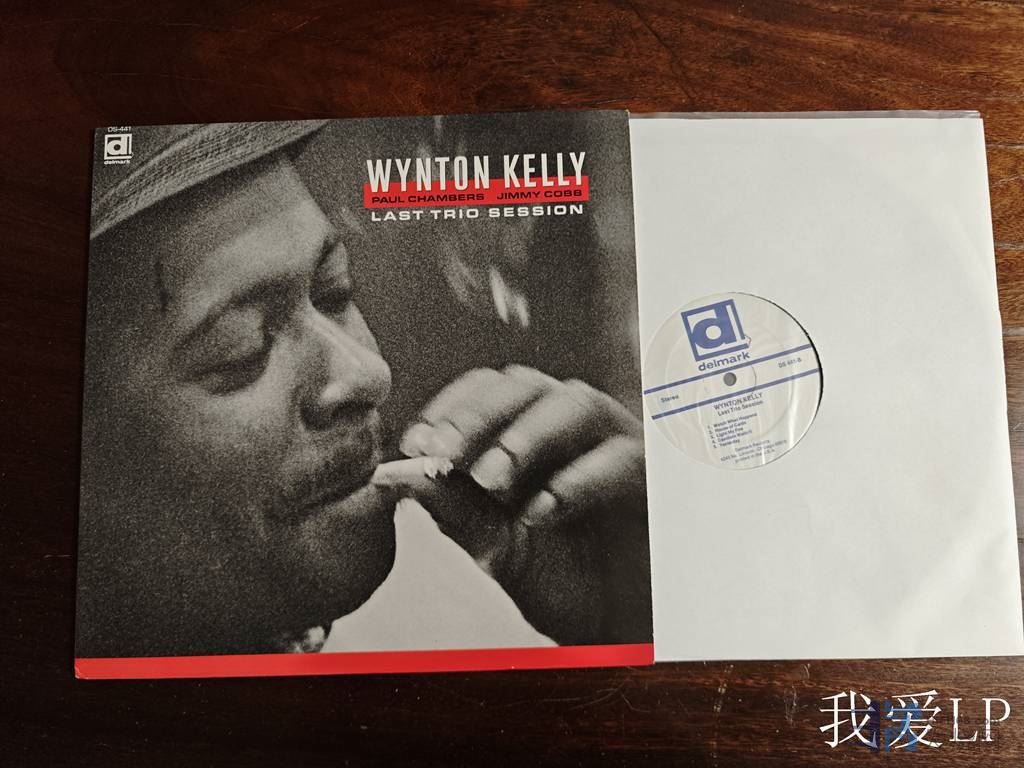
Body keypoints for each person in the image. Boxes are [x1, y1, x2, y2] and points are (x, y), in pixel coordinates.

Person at [76, 121, 651, 657]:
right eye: (241, 348)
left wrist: (635, 618)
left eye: (333, 292)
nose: (370, 373)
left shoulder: (461, 612)